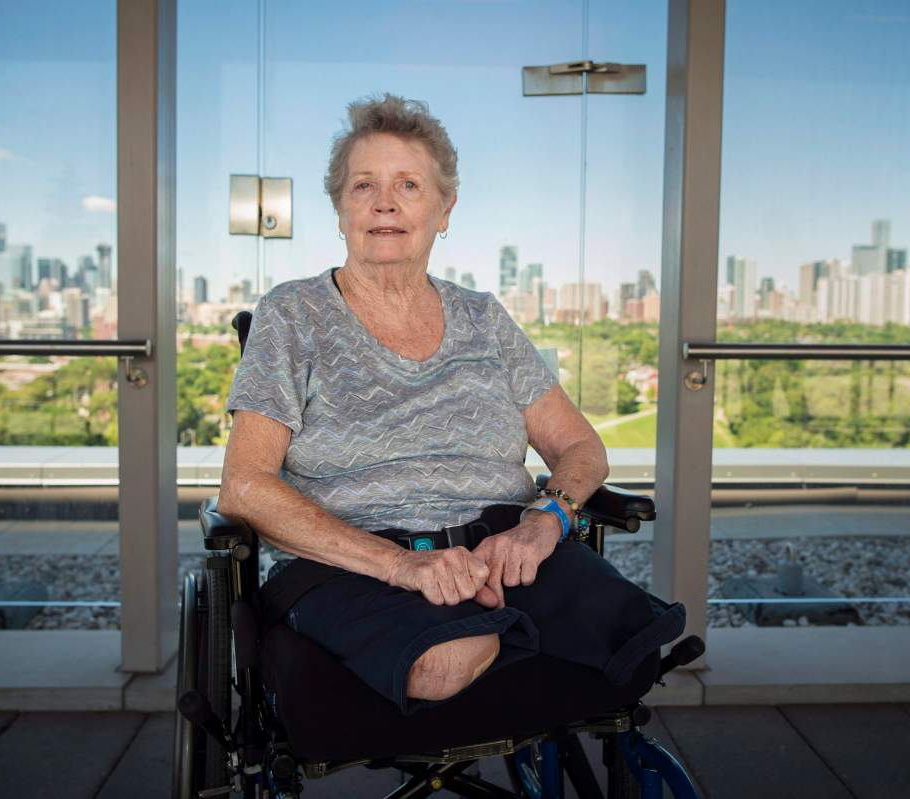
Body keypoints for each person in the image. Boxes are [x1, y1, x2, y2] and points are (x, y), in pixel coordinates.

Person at [219, 93, 683, 715]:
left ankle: (503, 621)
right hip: (356, 560)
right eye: (364, 186)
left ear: (444, 210)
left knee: (638, 641)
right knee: (448, 661)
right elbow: (244, 487)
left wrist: (544, 524)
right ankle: (497, 631)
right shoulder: (293, 314)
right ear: (339, 211)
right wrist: (402, 568)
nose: (385, 202)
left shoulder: (483, 318)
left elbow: (580, 447)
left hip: (503, 548)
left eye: (408, 185)